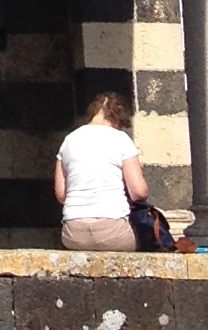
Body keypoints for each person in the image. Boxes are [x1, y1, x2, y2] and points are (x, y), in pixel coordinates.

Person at [54, 88, 150, 250]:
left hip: (74, 232)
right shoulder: (121, 139)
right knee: (147, 240)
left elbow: (61, 194)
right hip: (114, 230)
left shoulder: (69, 141)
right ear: (118, 119)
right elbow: (139, 192)